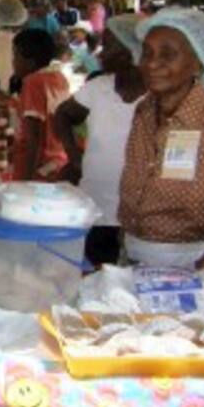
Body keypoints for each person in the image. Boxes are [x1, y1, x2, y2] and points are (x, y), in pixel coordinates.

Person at [119, 7, 204, 268]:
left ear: (198, 62)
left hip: (199, 260)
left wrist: (202, 276)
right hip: (136, 258)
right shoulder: (145, 109)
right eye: (147, 53)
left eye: (168, 54)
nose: (151, 63)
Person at [52, 15, 145, 266]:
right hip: (96, 207)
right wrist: (74, 157)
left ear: (132, 49)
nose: (103, 52)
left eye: (111, 45)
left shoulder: (156, 94)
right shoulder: (99, 88)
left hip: (140, 214)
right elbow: (63, 116)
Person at [11, 28, 71, 181]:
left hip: (38, 168)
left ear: (29, 62)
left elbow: (34, 137)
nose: (13, 62)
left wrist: (26, 181)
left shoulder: (33, 83)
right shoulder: (58, 77)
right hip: (55, 162)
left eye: (15, 56)